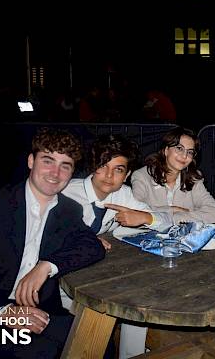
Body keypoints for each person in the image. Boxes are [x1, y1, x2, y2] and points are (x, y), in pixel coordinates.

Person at [0, 128, 105, 359]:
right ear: (31, 161)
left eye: (65, 166)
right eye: (48, 161)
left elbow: (92, 245)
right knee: (39, 352)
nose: (55, 173)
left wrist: (46, 266)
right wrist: (4, 312)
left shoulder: (69, 210)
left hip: (40, 310)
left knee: (97, 340)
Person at [61, 134, 173, 359]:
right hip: (65, 283)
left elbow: (166, 222)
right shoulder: (67, 192)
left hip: (104, 276)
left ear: (127, 174)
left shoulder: (124, 194)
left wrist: (144, 217)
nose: (109, 175)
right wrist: (83, 239)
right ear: (93, 166)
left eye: (118, 169)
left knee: (137, 304)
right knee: (102, 318)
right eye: (103, 166)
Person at [131, 126, 215, 224]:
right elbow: (135, 212)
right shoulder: (142, 176)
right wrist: (172, 209)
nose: (184, 156)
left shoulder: (193, 178)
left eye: (190, 152)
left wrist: (176, 217)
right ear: (166, 150)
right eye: (179, 148)